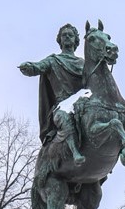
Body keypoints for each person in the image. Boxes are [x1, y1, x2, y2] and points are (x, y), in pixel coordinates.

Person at [19, 23, 85, 165]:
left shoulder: (83, 63)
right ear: (60, 40)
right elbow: (37, 67)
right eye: (64, 35)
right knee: (63, 118)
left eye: (70, 35)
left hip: (82, 104)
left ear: (76, 40)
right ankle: (75, 153)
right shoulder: (53, 61)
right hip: (63, 106)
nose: (67, 37)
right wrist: (29, 67)